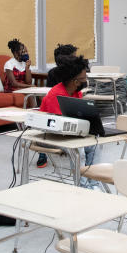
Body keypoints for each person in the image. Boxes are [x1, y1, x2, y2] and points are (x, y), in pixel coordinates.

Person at [39, 54, 97, 182]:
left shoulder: (76, 92)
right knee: (79, 149)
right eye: (83, 78)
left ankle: (92, 181)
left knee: (94, 144)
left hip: (70, 132)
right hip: (49, 134)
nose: (85, 80)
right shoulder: (56, 95)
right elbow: (59, 125)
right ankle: (81, 185)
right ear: (75, 81)